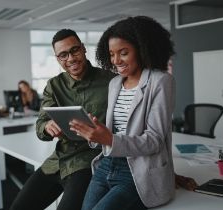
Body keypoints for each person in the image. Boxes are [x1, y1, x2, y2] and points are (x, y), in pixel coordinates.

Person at [69, 16, 177, 209]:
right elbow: (112, 131)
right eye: (111, 54)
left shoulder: (161, 82)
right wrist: (93, 132)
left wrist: (110, 139)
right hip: (107, 164)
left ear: (142, 50)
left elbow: (155, 141)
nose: (116, 60)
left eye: (124, 52)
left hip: (138, 171)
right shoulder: (115, 83)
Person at [9, 29, 115, 210]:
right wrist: (47, 126)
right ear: (58, 59)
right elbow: (40, 125)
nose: (71, 58)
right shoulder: (54, 85)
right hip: (58, 160)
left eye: (74, 50)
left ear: (83, 48)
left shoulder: (111, 81)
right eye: (63, 55)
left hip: (88, 162)